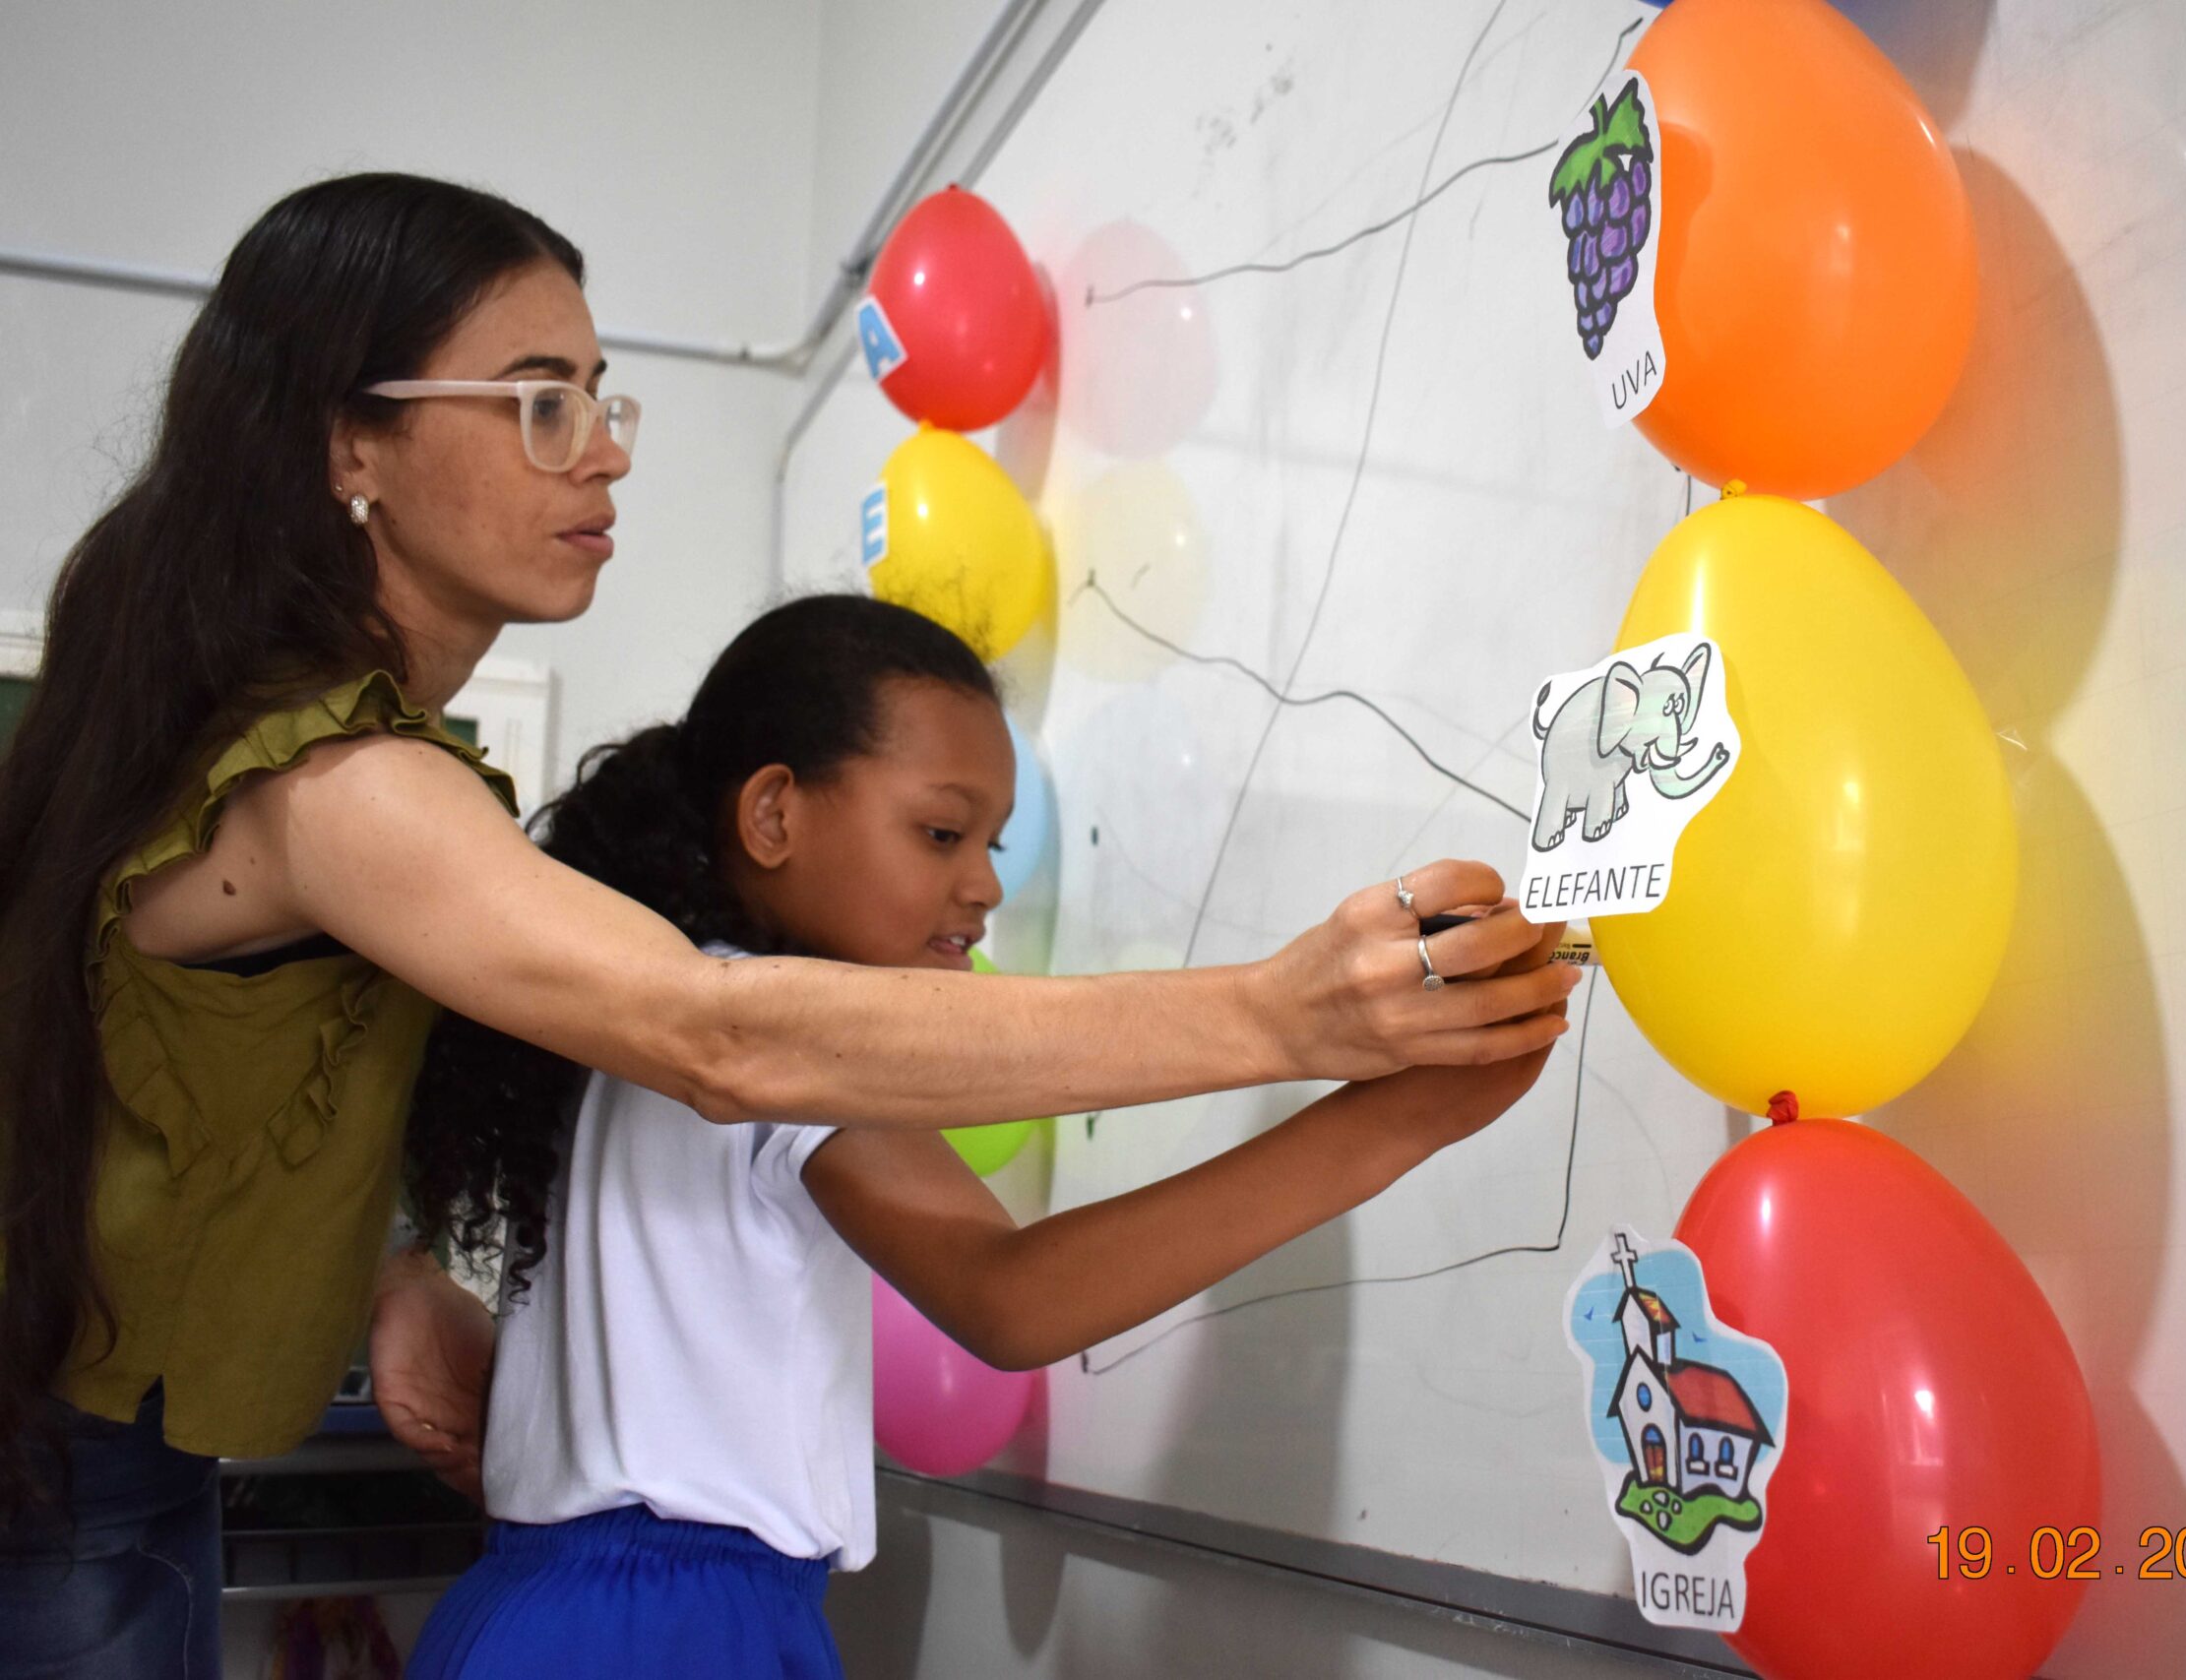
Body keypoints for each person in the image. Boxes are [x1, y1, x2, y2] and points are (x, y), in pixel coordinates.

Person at [0, 173, 1573, 1676]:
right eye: (540, 402)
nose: (604, 455)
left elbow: (248, 1106)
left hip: (147, 1470)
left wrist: (400, 1266)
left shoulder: (379, 781)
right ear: (354, 442)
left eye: (606, 401)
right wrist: (1283, 1014)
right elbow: (729, 1034)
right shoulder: (340, 782)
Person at [400, 593, 1566, 1678]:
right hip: (675, 1629)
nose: (984, 889)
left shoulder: (641, 1031)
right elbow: (1012, 1300)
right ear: (772, 814)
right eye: (942, 834)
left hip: (526, 1608)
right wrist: (1396, 1121)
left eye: (994, 845)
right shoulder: (779, 1040)